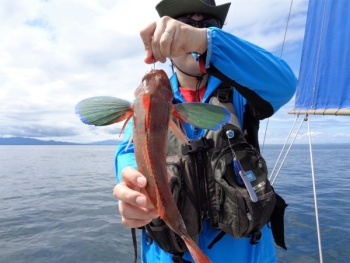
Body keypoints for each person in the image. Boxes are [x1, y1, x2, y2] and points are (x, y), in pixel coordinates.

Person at [113, 0, 297, 262]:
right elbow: (129, 150)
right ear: (164, 37)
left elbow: (285, 84)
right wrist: (133, 184)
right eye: (186, 23)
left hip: (246, 255)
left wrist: (206, 42)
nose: (194, 30)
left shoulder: (243, 96)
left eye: (208, 25)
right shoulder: (149, 102)